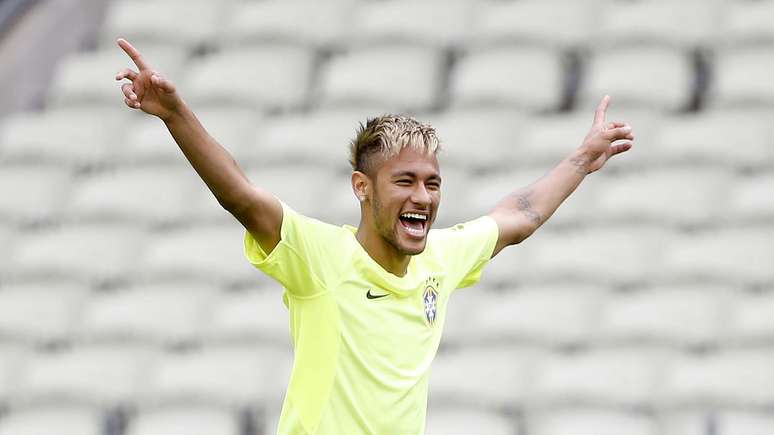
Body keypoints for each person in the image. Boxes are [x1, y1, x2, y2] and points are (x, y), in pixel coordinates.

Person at [115, 38, 634, 435]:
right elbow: (243, 198)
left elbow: (521, 213)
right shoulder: (321, 257)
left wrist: (583, 159)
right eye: (404, 181)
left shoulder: (441, 257)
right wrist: (176, 115)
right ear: (362, 187)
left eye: (432, 183)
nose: (424, 198)